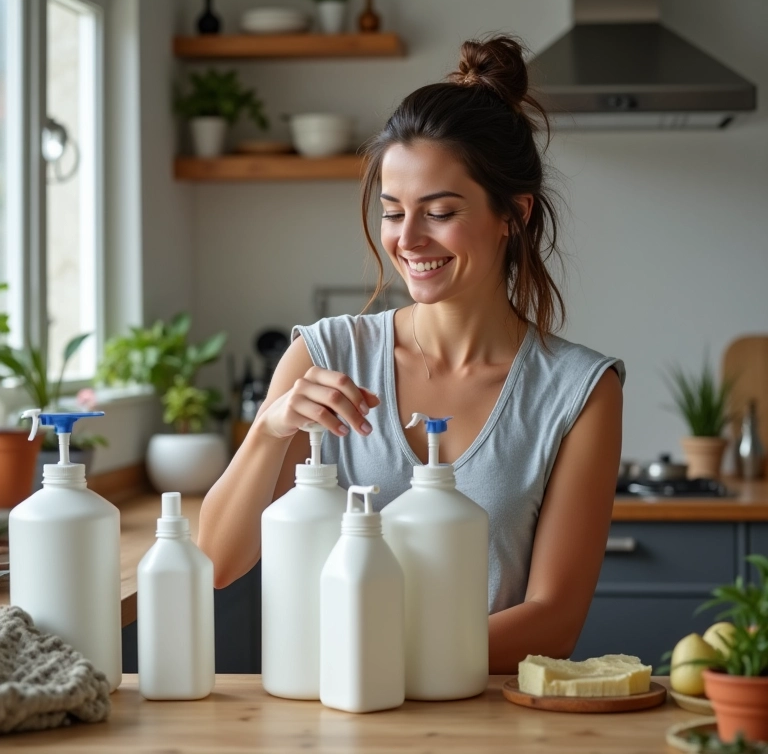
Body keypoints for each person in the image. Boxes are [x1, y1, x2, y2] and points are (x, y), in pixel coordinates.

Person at [198, 34, 625, 674]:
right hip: (327, 722)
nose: (409, 239)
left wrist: (374, 657)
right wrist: (268, 427)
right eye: (394, 212)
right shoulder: (322, 353)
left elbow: (555, 620)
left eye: (441, 211)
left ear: (514, 213)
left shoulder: (579, 391)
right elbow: (216, 564)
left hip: (484, 724)